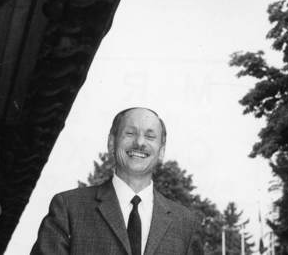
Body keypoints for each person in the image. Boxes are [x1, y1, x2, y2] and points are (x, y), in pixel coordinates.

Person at [31, 107, 203, 254]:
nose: (140, 142)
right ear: (111, 143)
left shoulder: (185, 223)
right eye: (130, 133)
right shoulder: (68, 209)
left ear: (162, 151)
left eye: (150, 137)